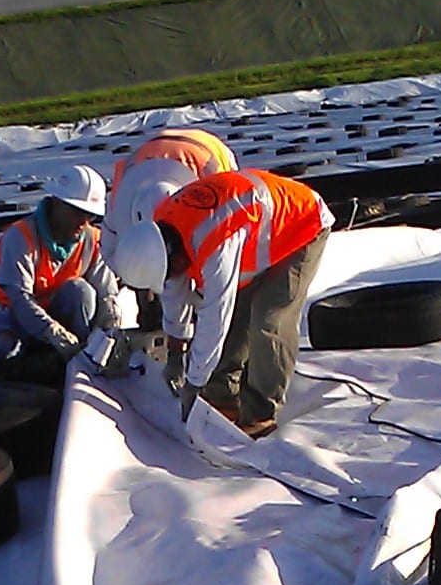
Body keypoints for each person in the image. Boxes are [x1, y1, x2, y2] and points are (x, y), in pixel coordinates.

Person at [115, 167, 332, 439]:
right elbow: (174, 291)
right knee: (239, 312)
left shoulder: (214, 243)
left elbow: (215, 318)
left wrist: (194, 383)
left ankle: (260, 414)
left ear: (169, 255)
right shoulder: (165, 231)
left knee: (268, 319)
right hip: (258, 225)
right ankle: (222, 399)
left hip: (302, 223)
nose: (176, 276)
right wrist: (176, 351)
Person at [0, 164, 120, 366]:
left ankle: (77, 360)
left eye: (89, 215)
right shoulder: (20, 237)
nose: (83, 222)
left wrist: (109, 328)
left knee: (81, 291)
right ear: (57, 203)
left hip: (56, 311)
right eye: (76, 212)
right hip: (13, 314)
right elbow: (20, 299)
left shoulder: (93, 240)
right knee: (2, 349)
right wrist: (52, 331)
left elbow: (107, 294)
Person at [99, 123, 239, 280]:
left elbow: (223, 250)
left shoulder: (211, 181)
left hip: (208, 150)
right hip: (155, 149)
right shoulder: (119, 199)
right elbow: (110, 252)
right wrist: (138, 275)